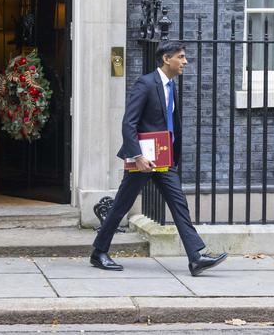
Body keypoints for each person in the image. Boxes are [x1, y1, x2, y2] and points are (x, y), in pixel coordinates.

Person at [90, 41, 227, 276]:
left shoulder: (171, 86)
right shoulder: (146, 84)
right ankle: (99, 252)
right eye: (181, 57)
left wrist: (172, 154)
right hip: (143, 161)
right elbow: (128, 123)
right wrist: (137, 156)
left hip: (164, 159)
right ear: (166, 59)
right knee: (121, 205)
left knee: (179, 203)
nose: (185, 61)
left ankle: (196, 257)